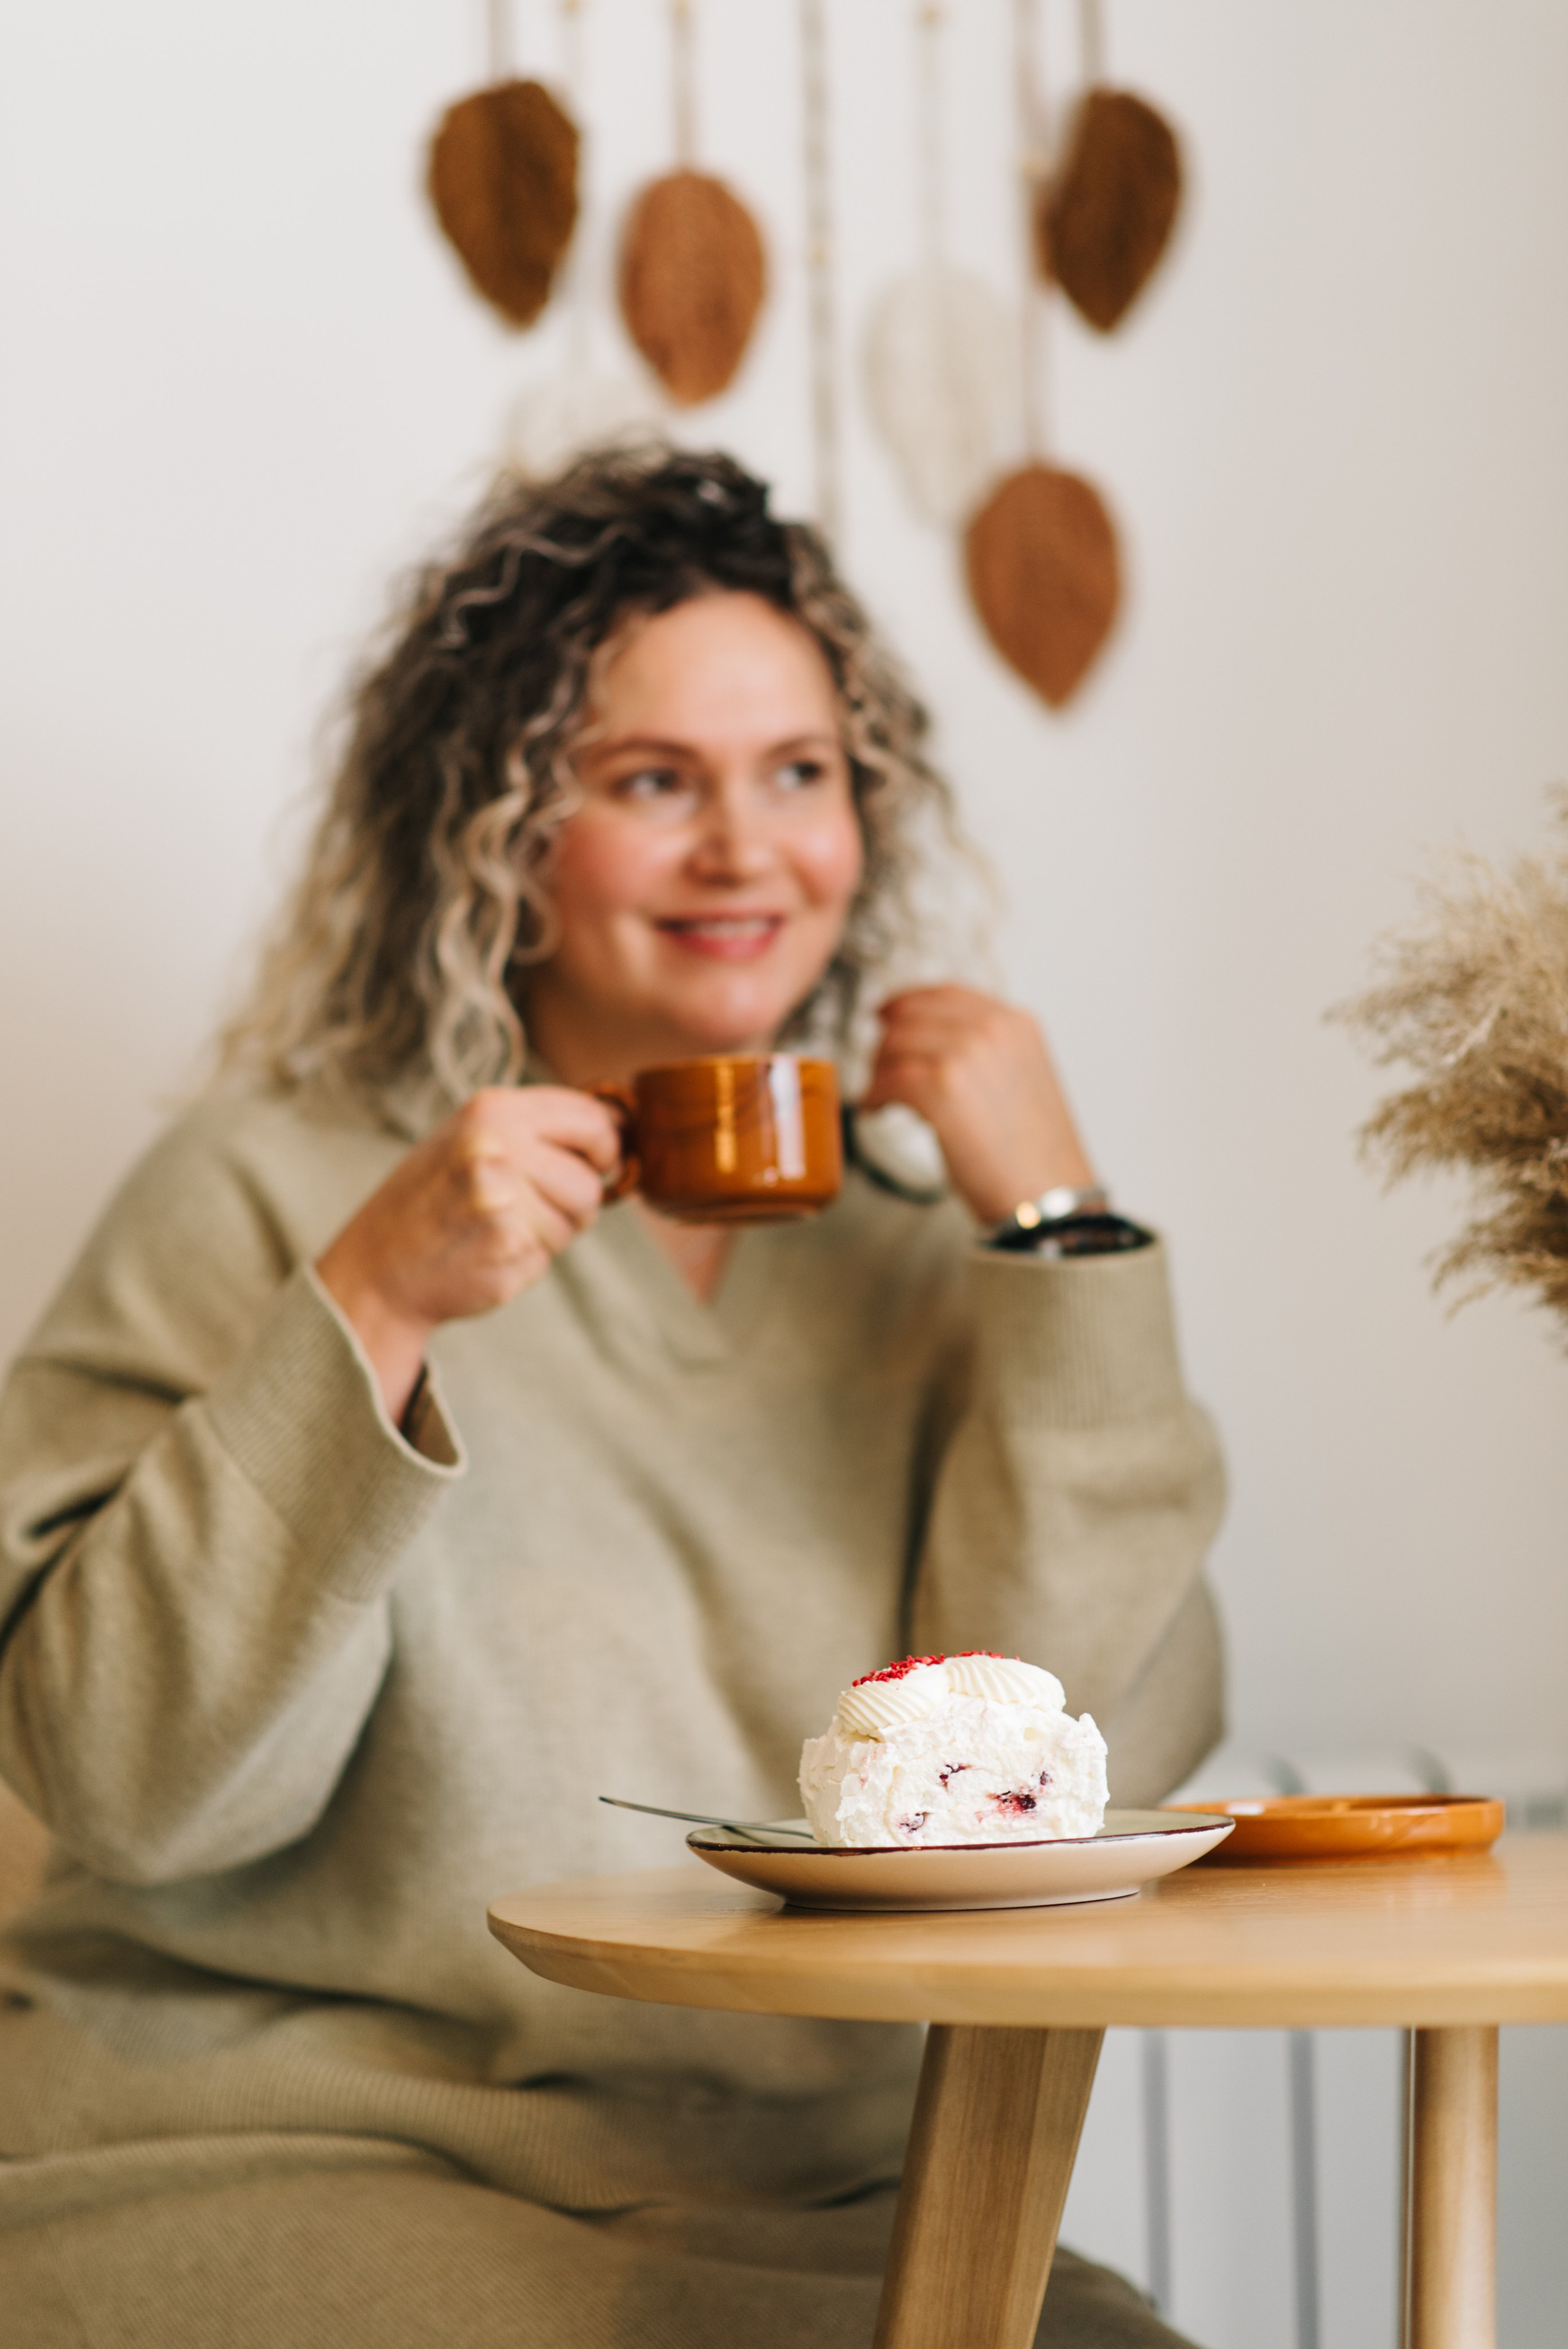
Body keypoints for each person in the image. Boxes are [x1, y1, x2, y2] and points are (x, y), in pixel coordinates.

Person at [0, 447, 1223, 2347]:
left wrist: (1066, 1240)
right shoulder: (269, 1184)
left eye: (799, 773)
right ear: (496, 834)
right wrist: (378, 1297)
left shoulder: (930, 1260)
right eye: (655, 782)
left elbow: (1079, 1793)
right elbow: (129, 1788)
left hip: (816, 2193)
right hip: (283, 2149)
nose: (748, 850)